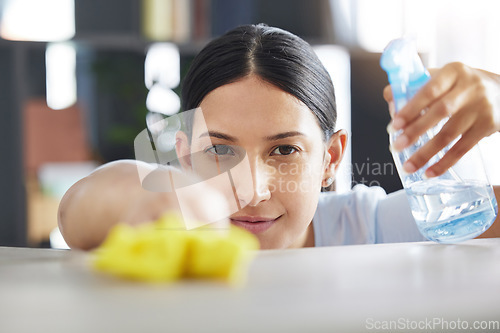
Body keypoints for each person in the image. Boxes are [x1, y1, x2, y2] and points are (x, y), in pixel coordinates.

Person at [58, 24, 500, 250]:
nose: (252, 190)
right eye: (220, 150)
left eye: (285, 149)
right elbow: (76, 211)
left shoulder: (368, 228)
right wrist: (144, 195)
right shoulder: (170, 222)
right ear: (184, 157)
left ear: (331, 159)